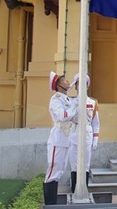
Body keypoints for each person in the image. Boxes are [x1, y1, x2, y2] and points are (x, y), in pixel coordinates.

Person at [43, 71, 78, 205]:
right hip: (58, 138)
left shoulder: (67, 99)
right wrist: (74, 108)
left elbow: (73, 117)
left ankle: (53, 204)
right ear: (58, 85)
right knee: (53, 169)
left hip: (66, 138)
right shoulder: (56, 99)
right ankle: (49, 204)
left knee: (60, 171)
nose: (68, 82)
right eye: (64, 81)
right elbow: (63, 115)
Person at [68, 73, 100, 193]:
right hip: (74, 133)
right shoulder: (70, 101)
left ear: (87, 86)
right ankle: (74, 191)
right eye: (78, 84)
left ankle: (84, 191)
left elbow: (96, 122)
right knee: (74, 165)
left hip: (87, 133)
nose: (81, 86)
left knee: (85, 165)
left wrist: (95, 138)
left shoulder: (93, 102)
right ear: (75, 86)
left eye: (84, 84)